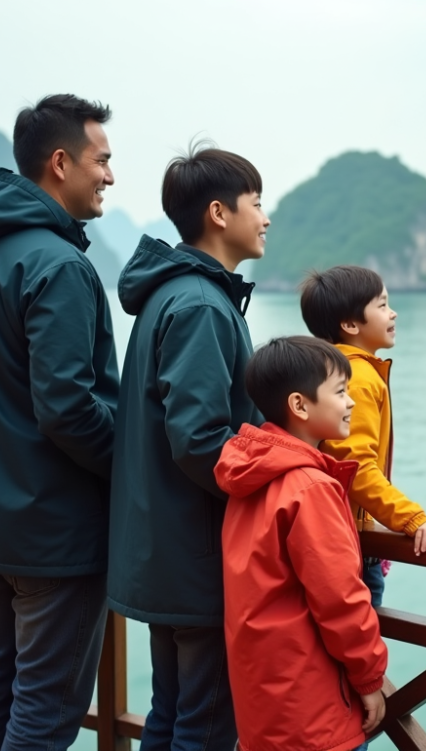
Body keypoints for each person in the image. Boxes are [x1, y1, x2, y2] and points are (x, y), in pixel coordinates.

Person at [0, 94, 119, 751]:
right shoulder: (59, 265)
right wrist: (130, 464)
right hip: (55, 533)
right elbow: (67, 407)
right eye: (101, 161)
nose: (109, 176)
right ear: (60, 163)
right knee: (45, 706)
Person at [107, 144, 269, 750]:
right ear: (219, 213)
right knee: (204, 725)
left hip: (166, 549)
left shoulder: (174, 294)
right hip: (199, 555)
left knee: (172, 713)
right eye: (257, 202)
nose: (266, 218)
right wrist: (279, 476)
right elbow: (199, 439)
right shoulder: (201, 304)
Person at [216, 336, 388, 751]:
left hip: (266, 701)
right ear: (300, 405)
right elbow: (341, 598)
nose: (351, 402)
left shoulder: (251, 472)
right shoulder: (309, 488)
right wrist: (369, 678)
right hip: (313, 709)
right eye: (341, 392)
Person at [300, 265, 426, 607]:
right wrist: (412, 518)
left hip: (333, 535)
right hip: (350, 545)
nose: (393, 313)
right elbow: (356, 468)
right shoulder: (358, 379)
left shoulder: (329, 369)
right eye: (382, 305)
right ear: (350, 324)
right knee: (361, 636)